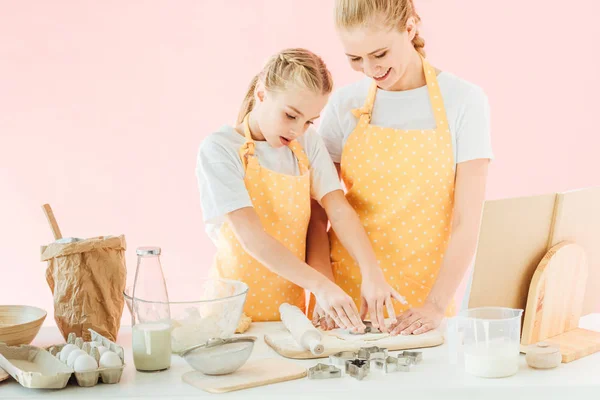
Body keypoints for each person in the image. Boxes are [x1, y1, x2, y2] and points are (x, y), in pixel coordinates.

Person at [308, 0, 493, 335]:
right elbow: (318, 210)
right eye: (355, 59)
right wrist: (324, 289)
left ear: (410, 28)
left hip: (424, 301)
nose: (369, 69)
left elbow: (467, 220)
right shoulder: (344, 103)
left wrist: (435, 306)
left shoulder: (464, 101)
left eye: (379, 54)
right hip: (346, 300)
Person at [196, 48, 405, 332]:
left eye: (308, 121)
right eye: (290, 115)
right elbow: (253, 238)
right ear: (261, 94)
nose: (297, 130)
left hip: (290, 314)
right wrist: (321, 286)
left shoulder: (308, 145)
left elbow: (339, 210)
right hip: (229, 315)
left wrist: (372, 272)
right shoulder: (220, 149)